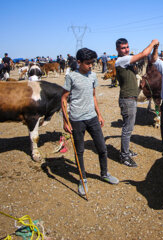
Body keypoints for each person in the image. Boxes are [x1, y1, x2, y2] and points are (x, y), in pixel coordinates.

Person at [61, 48, 119, 196]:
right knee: (79, 151)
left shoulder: (93, 76)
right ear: (79, 62)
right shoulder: (71, 77)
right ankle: (82, 179)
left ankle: (104, 174)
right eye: (88, 63)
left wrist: (99, 115)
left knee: (102, 147)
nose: (91, 66)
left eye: (92, 63)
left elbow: (93, 96)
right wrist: (65, 121)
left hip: (92, 117)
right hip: (76, 119)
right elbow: (63, 99)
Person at [115, 38, 159, 167]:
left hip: (131, 98)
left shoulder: (127, 62)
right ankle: (124, 156)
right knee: (127, 129)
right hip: (127, 99)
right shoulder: (121, 60)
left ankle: (126, 151)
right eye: (123, 48)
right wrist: (152, 43)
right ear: (117, 49)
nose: (126, 50)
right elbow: (144, 54)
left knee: (129, 128)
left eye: (127, 47)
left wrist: (139, 84)